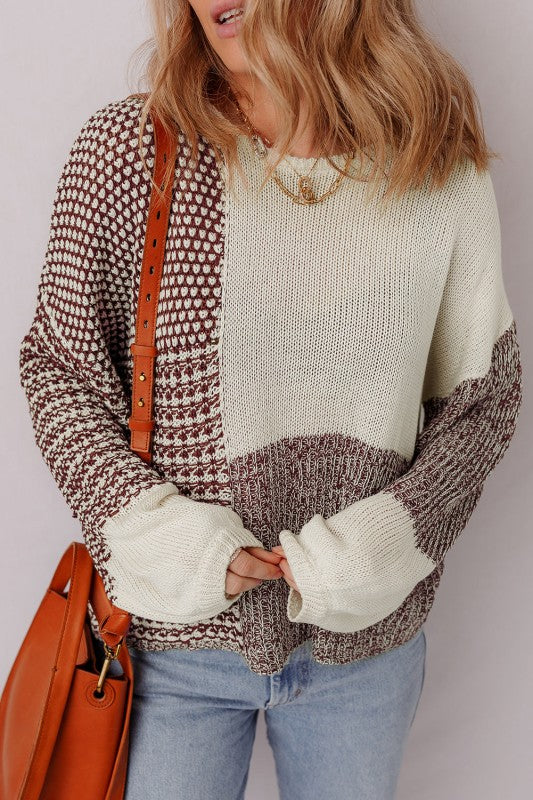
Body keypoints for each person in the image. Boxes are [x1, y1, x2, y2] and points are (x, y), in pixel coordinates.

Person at [18, 1, 523, 798]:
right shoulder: (132, 150)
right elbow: (61, 370)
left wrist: (379, 547)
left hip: (368, 651)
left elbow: (480, 396)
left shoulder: (433, 161)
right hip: (168, 646)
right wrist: (164, 539)